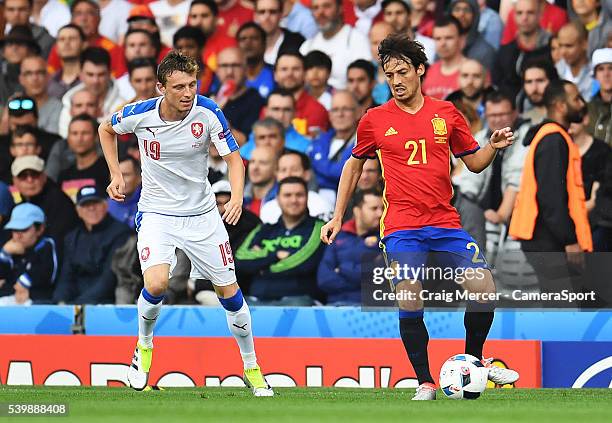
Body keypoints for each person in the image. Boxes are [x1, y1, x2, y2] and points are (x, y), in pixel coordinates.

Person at [320, 34, 519, 400]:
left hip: (445, 223)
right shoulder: (375, 120)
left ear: (420, 70)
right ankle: (425, 380)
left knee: (484, 287)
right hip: (402, 227)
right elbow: (353, 166)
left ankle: (474, 363)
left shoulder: (446, 114)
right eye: (389, 74)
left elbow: (473, 163)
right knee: (410, 296)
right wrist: (337, 217)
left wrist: (491, 145)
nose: (395, 80)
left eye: (402, 71)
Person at [99, 50, 273, 395]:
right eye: (178, 87)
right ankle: (144, 347)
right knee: (158, 283)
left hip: (203, 215)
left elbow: (235, 162)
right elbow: (106, 128)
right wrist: (115, 173)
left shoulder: (207, 112)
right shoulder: (140, 114)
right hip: (157, 214)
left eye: (192, 85)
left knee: (230, 294)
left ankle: (252, 367)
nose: (187, 93)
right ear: (160, 87)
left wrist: (237, 197)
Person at [510, 80, 593, 297]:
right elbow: (552, 198)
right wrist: (570, 240)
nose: (582, 103)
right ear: (560, 106)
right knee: (562, 309)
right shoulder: (553, 140)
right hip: (548, 239)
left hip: (546, 237)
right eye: (576, 98)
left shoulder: (554, 136)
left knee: (561, 306)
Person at [235, 176, 326, 305]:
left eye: (299, 195)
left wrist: (260, 266)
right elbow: (241, 260)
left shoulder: (320, 228)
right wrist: (275, 256)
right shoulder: (264, 229)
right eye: (287, 195)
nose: (294, 200)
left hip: (299, 300)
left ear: (307, 198)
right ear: (278, 199)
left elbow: (303, 264)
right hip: (257, 299)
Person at [52, 185, 130, 304]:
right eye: (85, 205)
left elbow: (109, 279)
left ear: (105, 205)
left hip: (108, 303)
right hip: (77, 302)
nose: (91, 208)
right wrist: (60, 301)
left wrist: (79, 305)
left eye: (96, 203)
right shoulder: (72, 237)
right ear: (78, 211)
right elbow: (66, 277)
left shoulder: (121, 233)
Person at [318, 188, 383, 305]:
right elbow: (324, 279)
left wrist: (343, 269)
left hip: (371, 308)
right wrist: (359, 280)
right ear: (357, 211)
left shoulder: (387, 239)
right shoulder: (337, 236)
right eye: (374, 209)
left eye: (382, 208)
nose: (380, 214)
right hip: (335, 307)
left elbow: (380, 277)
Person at [10, 155, 79, 250]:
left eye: (35, 174)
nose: (30, 180)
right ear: (14, 181)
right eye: (23, 176)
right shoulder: (19, 204)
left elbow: (59, 240)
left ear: (44, 177)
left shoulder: (59, 201)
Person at [300, 0, 372, 90]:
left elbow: (364, 81)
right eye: (315, 8)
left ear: (340, 8)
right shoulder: (307, 46)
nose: (320, 12)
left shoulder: (358, 40)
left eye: (326, 6)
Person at [58, 47, 126, 139]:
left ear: (109, 74)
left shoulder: (123, 108)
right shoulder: (68, 105)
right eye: (90, 74)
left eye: (101, 74)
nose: (95, 81)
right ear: (80, 74)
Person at [309, 90, 361, 205]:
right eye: (335, 110)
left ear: (358, 112)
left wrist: (320, 173)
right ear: (330, 115)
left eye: (346, 109)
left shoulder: (363, 142)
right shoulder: (320, 140)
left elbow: (345, 174)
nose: (340, 114)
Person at [492, 0, 551, 101]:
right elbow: (498, 84)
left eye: (530, 12)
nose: (524, 18)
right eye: (519, 13)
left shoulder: (553, 47)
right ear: (513, 16)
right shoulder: (506, 51)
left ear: (540, 15)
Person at [0, 203, 58, 304]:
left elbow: (46, 273)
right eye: (15, 230)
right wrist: (4, 254)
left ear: (40, 229)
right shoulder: (11, 247)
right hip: (13, 298)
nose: (18, 236)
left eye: (24, 229)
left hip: (39, 300)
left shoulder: (46, 245)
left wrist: (24, 282)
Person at [259, 149, 334, 224]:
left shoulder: (321, 204)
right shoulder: (267, 208)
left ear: (307, 174)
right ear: (276, 175)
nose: (288, 174)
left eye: (294, 169)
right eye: (283, 170)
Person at [215, 47, 266, 145]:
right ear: (217, 70)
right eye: (224, 66)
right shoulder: (207, 97)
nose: (229, 72)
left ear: (246, 69)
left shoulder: (256, 100)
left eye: (235, 66)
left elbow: (246, 142)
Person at [240, 89, 311, 159]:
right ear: (265, 111)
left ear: (295, 113)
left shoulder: (306, 147)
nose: (281, 115)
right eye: (275, 109)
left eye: (287, 110)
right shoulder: (248, 145)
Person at [274, 51, 329, 137]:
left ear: (304, 74)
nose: (289, 74)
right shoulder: (266, 108)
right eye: (284, 69)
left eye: (295, 69)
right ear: (275, 75)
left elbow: (313, 147)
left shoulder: (317, 110)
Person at [58, 114, 109, 200]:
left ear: (96, 137)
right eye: (74, 133)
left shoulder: (108, 169)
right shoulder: (63, 175)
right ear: (68, 138)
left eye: (85, 133)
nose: (79, 138)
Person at [422, 16, 466, 100]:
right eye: (438, 39)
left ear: (462, 40)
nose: (442, 43)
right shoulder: (427, 72)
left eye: (448, 38)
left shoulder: (474, 71)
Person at [18, 55, 62, 134]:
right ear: (21, 79)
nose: (35, 78)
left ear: (48, 77)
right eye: (29, 73)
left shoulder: (59, 107)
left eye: (40, 73)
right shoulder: (13, 105)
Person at [188, 0, 236, 72]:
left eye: (204, 16)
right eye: (194, 16)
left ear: (216, 18)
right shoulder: (182, 45)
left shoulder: (229, 45)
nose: (198, 22)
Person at [448, 0, 495, 70]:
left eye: (467, 10)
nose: (461, 14)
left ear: (475, 15)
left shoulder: (485, 51)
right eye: (457, 9)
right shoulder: (443, 43)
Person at [254, 0, 304, 66]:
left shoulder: (297, 42)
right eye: (262, 12)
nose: (267, 17)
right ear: (255, 16)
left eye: (272, 12)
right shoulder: (247, 44)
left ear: (281, 15)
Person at [555, 21, 594, 101]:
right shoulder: (555, 71)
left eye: (568, 46)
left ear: (584, 44)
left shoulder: (597, 73)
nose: (563, 52)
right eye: (560, 45)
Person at [236, 22, 275, 98]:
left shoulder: (275, 73)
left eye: (254, 38)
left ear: (264, 44)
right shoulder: (231, 76)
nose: (248, 43)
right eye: (243, 39)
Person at [47, 24, 85, 100]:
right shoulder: (48, 83)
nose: (66, 43)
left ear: (83, 45)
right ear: (56, 48)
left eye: (72, 39)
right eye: (62, 39)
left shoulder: (92, 79)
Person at [518, 57, 558, 125]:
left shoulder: (566, 116)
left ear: (552, 81)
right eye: (529, 82)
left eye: (540, 81)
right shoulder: (522, 120)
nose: (534, 88)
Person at [107, 155, 141, 230]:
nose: (121, 180)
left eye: (126, 175)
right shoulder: (105, 206)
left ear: (139, 178)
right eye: (116, 175)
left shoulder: (149, 204)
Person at [587, 48, 612, 146]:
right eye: (601, 69)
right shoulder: (587, 109)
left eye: (611, 68)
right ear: (595, 75)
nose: (606, 74)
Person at [243, 145, 277, 216]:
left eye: (262, 163)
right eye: (252, 161)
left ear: (276, 168)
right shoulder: (239, 198)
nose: (255, 167)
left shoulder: (282, 200)